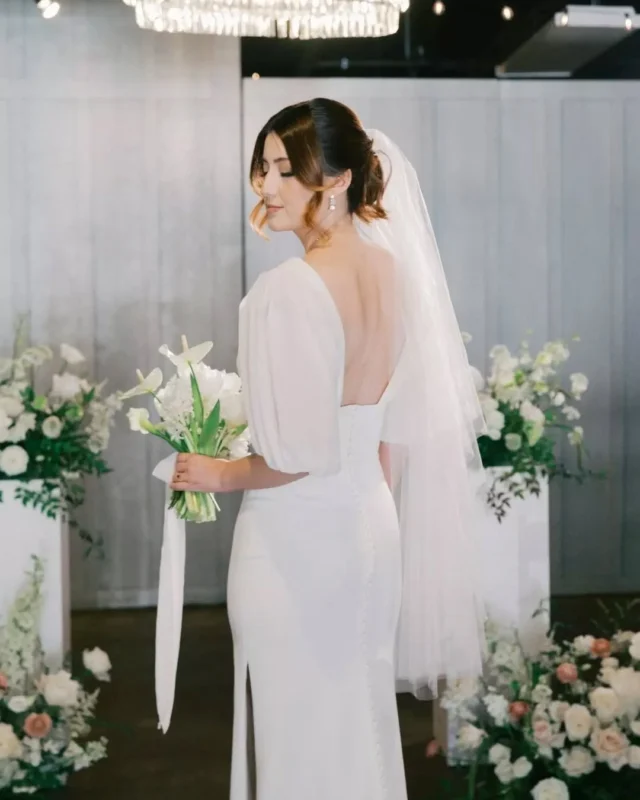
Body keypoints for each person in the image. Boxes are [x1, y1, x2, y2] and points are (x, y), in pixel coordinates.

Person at [170, 98, 487, 800]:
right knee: (357, 723)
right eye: (261, 168)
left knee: (298, 734)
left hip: (296, 543)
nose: (265, 186)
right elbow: (386, 431)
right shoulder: (392, 273)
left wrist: (214, 472)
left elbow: (297, 453)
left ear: (338, 178)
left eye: (286, 169)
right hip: (369, 531)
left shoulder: (286, 289)